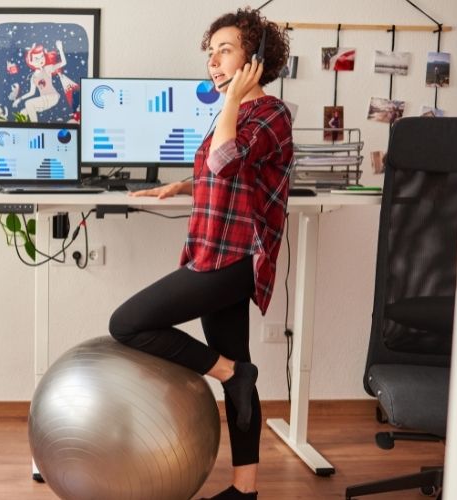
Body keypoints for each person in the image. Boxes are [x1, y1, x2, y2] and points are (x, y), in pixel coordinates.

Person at [108, 8, 293, 500]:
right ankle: (245, 489)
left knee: (127, 324)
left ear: (254, 58)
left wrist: (232, 98)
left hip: (233, 259)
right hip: (212, 249)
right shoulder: (237, 114)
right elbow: (223, 172)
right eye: (209, 54)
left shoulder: (271, 112)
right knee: (238, 365)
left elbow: (226, 160)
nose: (213, 62)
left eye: (225, 50)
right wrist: (180, 186)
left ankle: (232, 373)